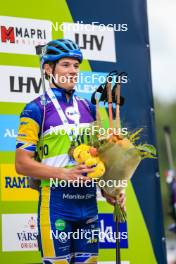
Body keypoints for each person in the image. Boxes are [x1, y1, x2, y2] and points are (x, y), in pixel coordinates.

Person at [15, 39, 125, 264]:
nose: (73, 71)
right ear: (48, 69)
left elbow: (99, 156)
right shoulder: (36, 109)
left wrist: (109, 191)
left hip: (88, 204)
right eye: (65, 65)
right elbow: (22, 164)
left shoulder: (90, 108)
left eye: (76, 65)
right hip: (56, 204)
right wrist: (63, 173)